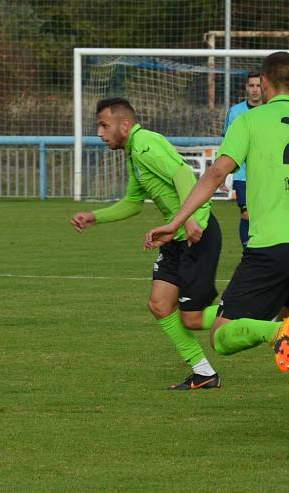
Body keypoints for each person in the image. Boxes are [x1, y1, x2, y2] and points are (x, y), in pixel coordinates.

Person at [145, 52, 289, 444]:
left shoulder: (249, 120)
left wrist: (176, 221)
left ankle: (273, 331)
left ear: (264, 85)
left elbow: (217, 173)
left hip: (272, 245)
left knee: (220, 336)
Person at [70, 97, 223, 390]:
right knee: (159, 304)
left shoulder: (145, 145)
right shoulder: (133, 152)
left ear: (124, 126)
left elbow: (182, 175)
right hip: (175, 236)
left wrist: (190, 218)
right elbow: (133, 203)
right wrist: (95, 216)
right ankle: (204, 373)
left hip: (196, 233)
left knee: (191, 318)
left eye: (104, 125)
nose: (100, 133)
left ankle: (258, 311)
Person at [222, 71, 262, 247]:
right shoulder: (235, 112)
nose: (255, 90)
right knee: (246, 213)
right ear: (246, 87)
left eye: (258, 85)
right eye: (251, 85)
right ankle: (248, 251)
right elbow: (227, 143)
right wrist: (222, 173)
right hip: (242, 174)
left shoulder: (271, 111)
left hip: (267, 173)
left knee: (264, 214)